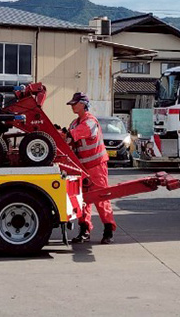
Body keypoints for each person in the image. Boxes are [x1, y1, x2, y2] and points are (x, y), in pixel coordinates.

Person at [65, 92, 116, 245]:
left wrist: (62, 134)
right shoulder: (75, 123)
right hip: (83, 168)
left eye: (74, 104)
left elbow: (72, 135)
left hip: (96, 166)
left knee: (101, 198)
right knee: (82, 200)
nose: (72, 106)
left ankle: (108, 230)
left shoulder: (90, 122)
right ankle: (84, 230)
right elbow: (69, 139)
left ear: (83, 104)